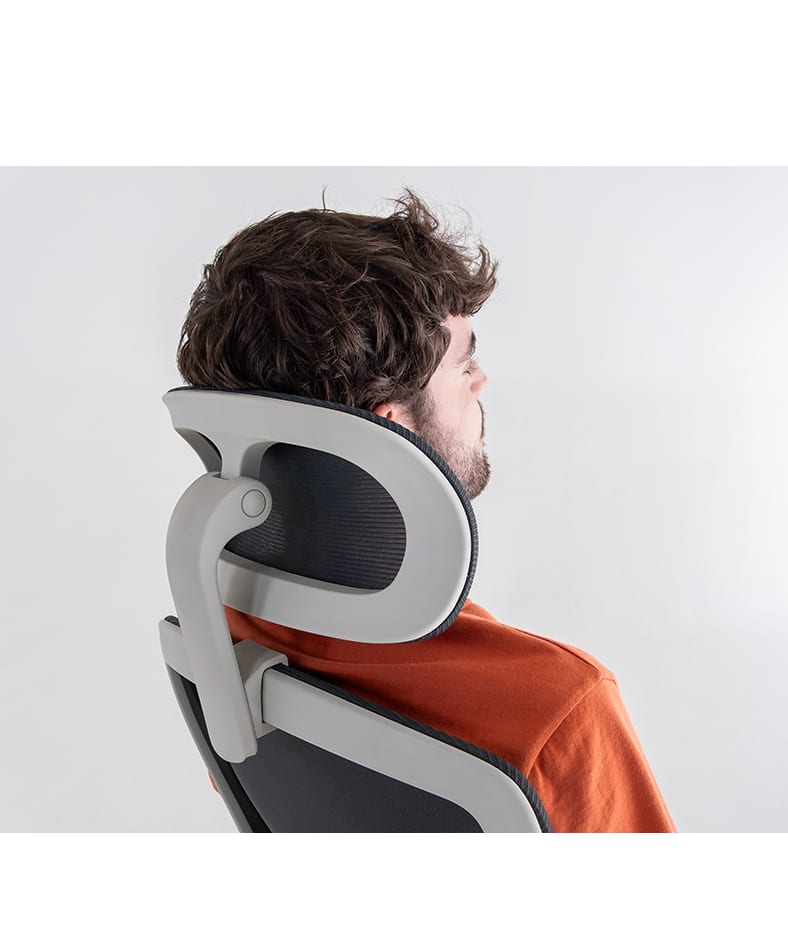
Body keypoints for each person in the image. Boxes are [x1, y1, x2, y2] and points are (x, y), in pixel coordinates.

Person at [177, 190, 676, 832]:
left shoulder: (226, 637)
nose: (480, 381)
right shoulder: (557, 716)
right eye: (463, 364)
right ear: (389, 429)